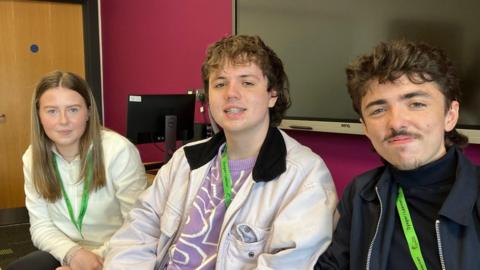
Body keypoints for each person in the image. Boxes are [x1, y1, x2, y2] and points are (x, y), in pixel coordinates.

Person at [104, 35, 338, 269]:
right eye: (219, 84)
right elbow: (134, 236)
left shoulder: (305, 176)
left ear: (272, 95)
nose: (230, 93)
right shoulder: (184, 160)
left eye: (247, 82)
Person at [316, 40, 480, 270]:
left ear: (450, 115)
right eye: (379, 110)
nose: (396, 123)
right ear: (365, 128)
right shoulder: (361, 194)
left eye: (416, 104)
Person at [7, 71, 148, 270]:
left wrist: (92, 259)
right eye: (52, 111)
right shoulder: (32, 158)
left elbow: (138, 226)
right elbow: (41, 226)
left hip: (119, 250)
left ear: (89, 112)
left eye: (73, 110)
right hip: (65, 251)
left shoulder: (119, 151)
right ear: (39, 115)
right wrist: (73, 255)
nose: (63, 121)